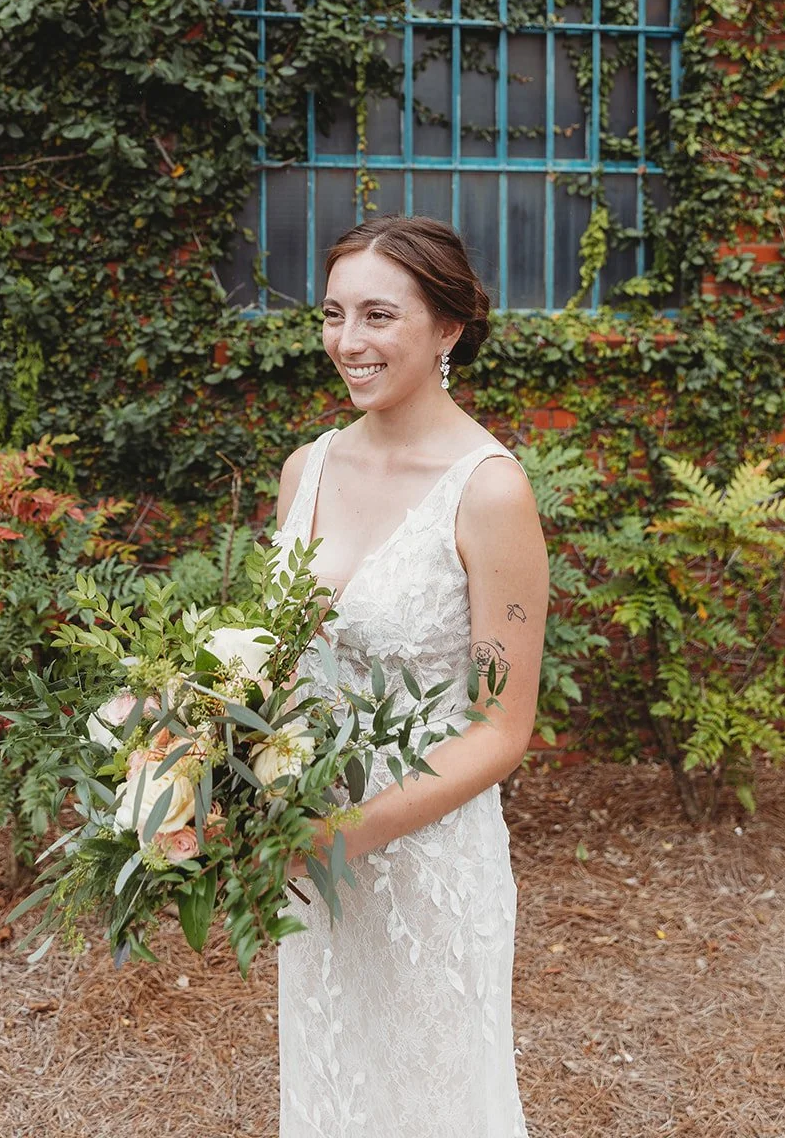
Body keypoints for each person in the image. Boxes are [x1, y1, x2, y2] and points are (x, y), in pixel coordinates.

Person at [272, 215, 549, 1138]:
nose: (348, 342)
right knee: (333, 1086)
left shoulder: (487, 490)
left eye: (379, 316)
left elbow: (502, 728)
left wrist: (346, 834)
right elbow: (273, 661)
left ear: (447, 329)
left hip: (424, 863)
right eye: (333, 314)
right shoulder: (304, 470)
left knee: (433, 1103)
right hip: (301, 848)